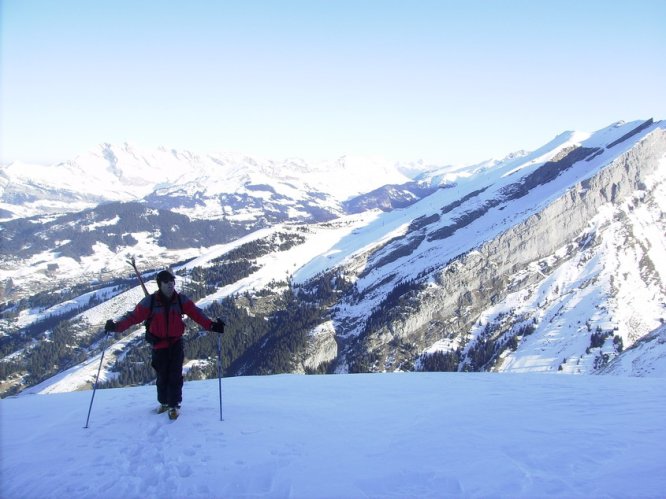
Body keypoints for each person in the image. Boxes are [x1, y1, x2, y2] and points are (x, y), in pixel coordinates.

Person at [105, 270, 225, 419]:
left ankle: (174, 405)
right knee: (162, 376)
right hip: (159, 345)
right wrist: (116, 327)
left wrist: (212, 326)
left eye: (172, 282)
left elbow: (196, 314)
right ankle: (164, 403)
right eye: (166, 282)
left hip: (175, 343)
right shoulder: (151, 302)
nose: (170, 285)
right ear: (159, 284)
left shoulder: (180, 300)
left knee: (175, 375)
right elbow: (133, 317)